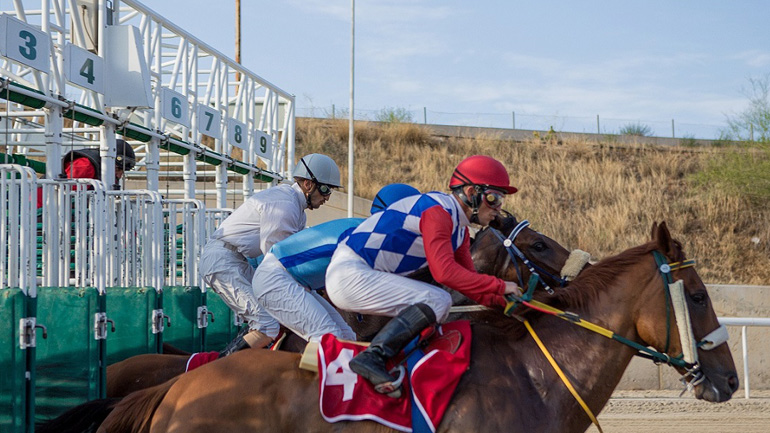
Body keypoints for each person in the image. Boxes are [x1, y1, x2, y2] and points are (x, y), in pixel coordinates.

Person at [325, 155, 522, 397]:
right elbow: (444, 272)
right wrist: (501, 286)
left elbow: (469, 283)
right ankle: (372, 358)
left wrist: (506, 304)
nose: (498, 209)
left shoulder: (459, 230)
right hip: (348, 274)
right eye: (494, 198)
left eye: (501, 200)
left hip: (358, 276)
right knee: (438, 300)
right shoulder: (438, 212)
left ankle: (393, 362)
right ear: (471, 192)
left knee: (437, 303)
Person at [245, 184, 421, 351]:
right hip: (277, 277)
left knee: (348, 338)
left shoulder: (364, 229)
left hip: (291, 280)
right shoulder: (364, 235)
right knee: (330, 339)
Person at [200, 153, 341, 353]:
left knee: (269, 317)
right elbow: (280, 260)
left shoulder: (296, 209)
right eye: (326, 189)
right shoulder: (284, 205)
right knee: (266, 325)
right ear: (308, 184)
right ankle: (221, 366)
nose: (327, 197)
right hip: (222, 259)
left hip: (235, 259)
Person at [36, 139, 136, 207]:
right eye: (118, 169)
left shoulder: (99, 165)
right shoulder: (86, 165)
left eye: (122, 172)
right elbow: (67, 194)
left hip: (53, 207)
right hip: (42, 207)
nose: (119, 175)